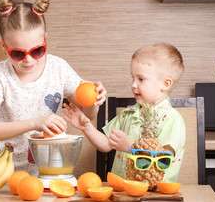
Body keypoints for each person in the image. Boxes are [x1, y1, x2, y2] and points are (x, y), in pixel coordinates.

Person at [0, 0, 106, 175]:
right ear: (3, 45)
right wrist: (35, 123)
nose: (28, 60)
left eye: (37, 50)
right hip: (3, 172)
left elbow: (87, 116)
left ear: (45, 39)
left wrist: (94, 100)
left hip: (46, 169)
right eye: (17, 54)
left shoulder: (59, 68)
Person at [62, 43, 185, 182]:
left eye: (141, 79)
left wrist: (131, 148)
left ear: (165, 84)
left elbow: (164, 159)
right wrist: (86, 127)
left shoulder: (172, 119)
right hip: (123, 191)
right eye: (132, 77)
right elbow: (106, 144)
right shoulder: (128, 113)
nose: (133, 84)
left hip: (156, 195)